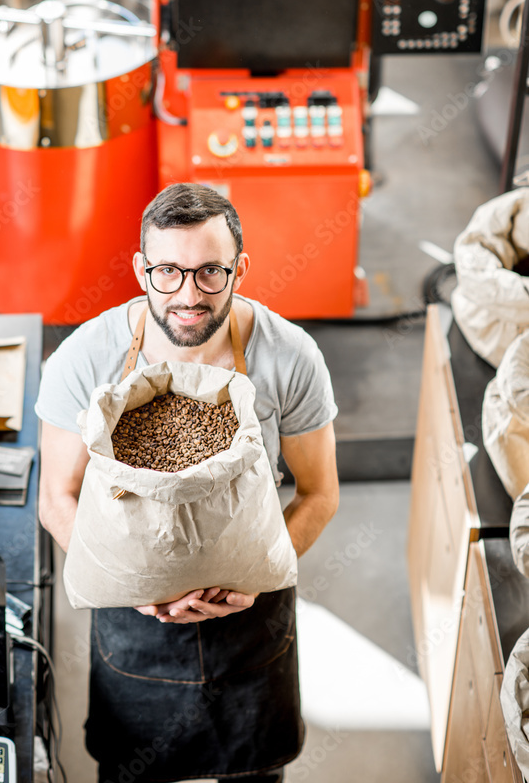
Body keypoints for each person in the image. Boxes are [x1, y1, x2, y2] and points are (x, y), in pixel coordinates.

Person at [36, 182, 339, 783]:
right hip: (134, 617)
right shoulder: (84, 359)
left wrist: (253, 577)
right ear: (141, 269)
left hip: (252, 620)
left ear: (240, 269)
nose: (188, 296)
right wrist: (137, 586)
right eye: (167, 272)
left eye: (209, 273)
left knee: (254, 770)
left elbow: (319, 494)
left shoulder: (290, 358)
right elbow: (56, 498)